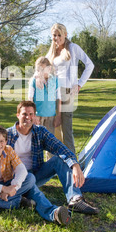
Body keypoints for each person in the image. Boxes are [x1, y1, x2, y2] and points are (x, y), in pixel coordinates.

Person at [0, 125, 71, 225]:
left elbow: (22, 170)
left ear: (6, 141)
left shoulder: (9, 150)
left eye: (2, 141)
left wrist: (12, 188)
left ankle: (54, 214)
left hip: (9, 183)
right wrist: (2, 189)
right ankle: (19, 201)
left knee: (30, 178)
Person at [7, 101, 98, 216]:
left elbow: (60, 148)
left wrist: (75, 165)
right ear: (18, 115)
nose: (28, 117)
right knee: (32, 190)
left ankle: (75, 198)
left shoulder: (40, 132)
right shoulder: (7, 135)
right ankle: (45, 209)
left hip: (36, 174)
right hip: (16, 178)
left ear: (34, 116)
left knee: (59, 160)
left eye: (31, 114)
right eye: (24, 114)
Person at [46, 23, 94, 155]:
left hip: (67, 92)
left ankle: (72, 163)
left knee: (66, 130)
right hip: (52, 93)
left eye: (59, 35)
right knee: (51, 129)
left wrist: (79, 84)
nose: (57, 38)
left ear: (65, 34)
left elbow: (90, 65)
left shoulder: (73, 48)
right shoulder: (51, 51)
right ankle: (52, 163)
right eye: (54, 35)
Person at [28, 56, 61, 134]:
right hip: (37, 117)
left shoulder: (55, 80)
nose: (40, 72)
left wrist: (58, 116)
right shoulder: (34, 81)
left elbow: (59, 99)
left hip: (51, 117)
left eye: (43, 69)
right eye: (38, 70)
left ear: (49, 68)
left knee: (49, 142)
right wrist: (33, 115)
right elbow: (30, 99)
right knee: (36, 140)